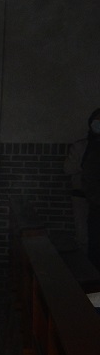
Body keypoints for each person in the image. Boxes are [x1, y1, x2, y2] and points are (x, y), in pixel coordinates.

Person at [65, 107, 100, 268]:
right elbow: (68, 168)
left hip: (97, 200)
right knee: (83, 237)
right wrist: (85, 164)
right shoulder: (81, 146)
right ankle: (85, 270)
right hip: (81, 196)